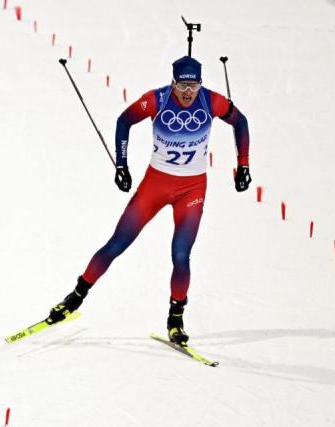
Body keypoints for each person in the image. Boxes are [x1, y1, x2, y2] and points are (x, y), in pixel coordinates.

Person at [47, 56, 251, 344]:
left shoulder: (212, 101)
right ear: (173, 82)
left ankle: (175, 320)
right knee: (117, 244)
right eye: (183, 85)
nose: (188, 92)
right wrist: (121, 165)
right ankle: (75, 298)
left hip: (192, 190)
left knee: (181, 255)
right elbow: (124, 121)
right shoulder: (156, 100)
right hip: (155, 185)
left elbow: (240, 122)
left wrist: (244, 165)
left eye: (194, 85)